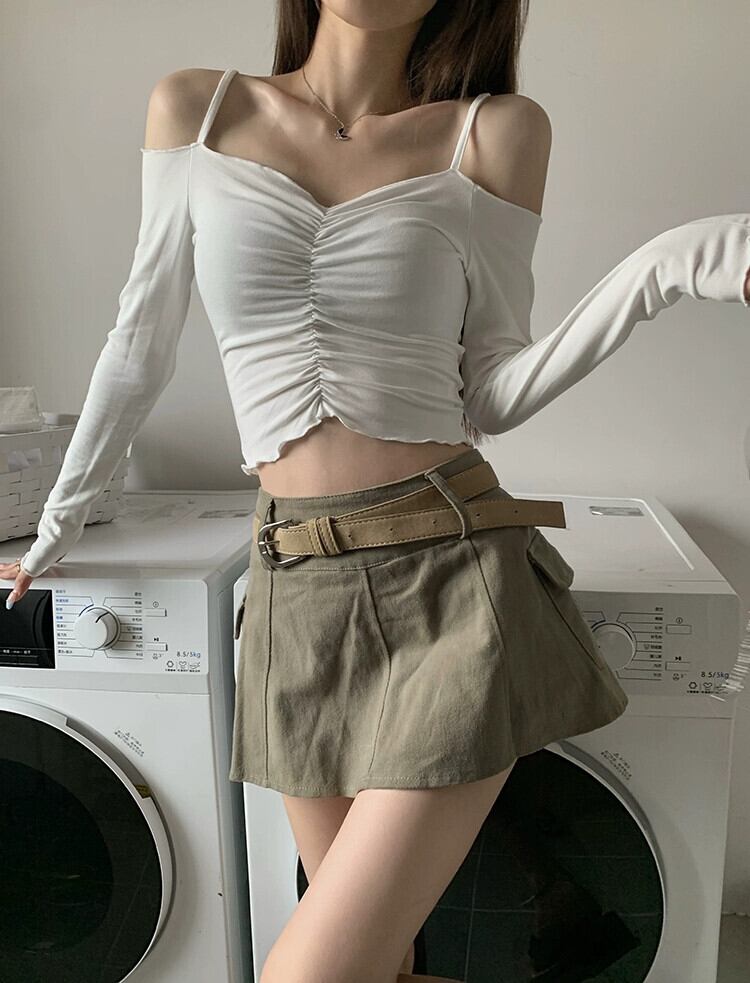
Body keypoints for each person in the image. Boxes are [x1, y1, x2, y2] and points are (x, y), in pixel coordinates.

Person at [2, 3, 749, 981]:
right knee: (375, 967)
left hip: (450, 575)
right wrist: (57, 526)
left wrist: (664, 269)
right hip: (291, 591)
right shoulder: (198, 108)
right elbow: (138, 344)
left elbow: (490, 391)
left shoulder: (495, 133)